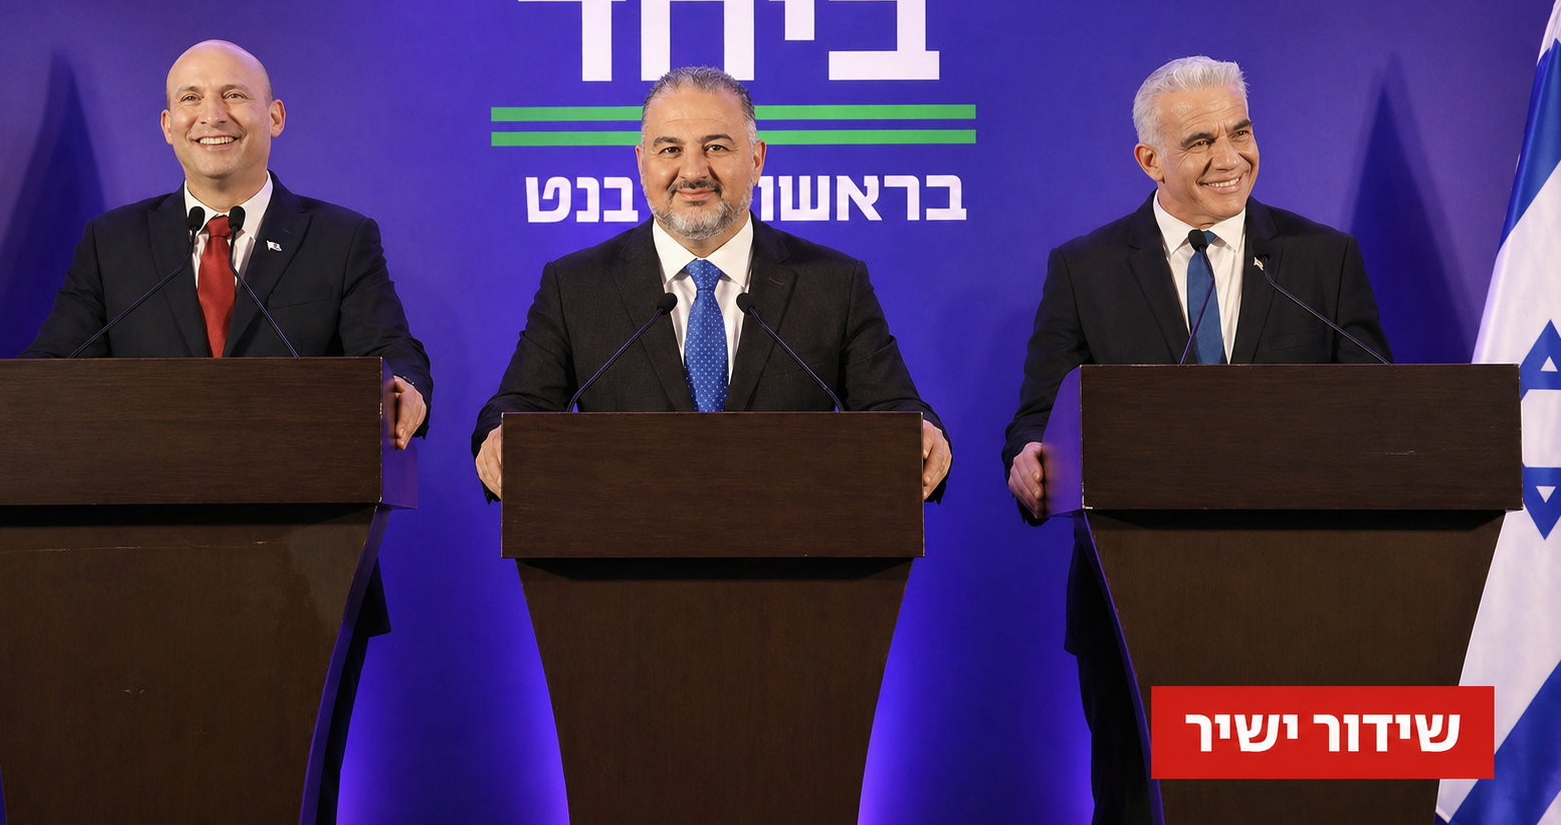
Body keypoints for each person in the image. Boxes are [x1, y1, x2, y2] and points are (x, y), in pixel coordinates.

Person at [22, 39, 431, 825]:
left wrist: (405, 389)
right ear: (166, 124)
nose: (213, 114)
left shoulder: (340, 238)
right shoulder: (114, 243)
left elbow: (392, 352)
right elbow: (51, 371)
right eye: (192, 98)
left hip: (306, 579)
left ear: (274, 116)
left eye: (235, 96)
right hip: (136, 581)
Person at [1001, 55, 1391, 824]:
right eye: (1201, 141)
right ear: (1150, 160)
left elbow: (1378, 410)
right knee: (1136, 804)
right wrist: (1029, 459)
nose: (1229, 157)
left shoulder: (1324, 259)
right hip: (1129, 602)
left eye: (1240, 131)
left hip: (1294, 598)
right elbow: (1041, 414)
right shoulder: (1085, 269)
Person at [473, 65, 951, 501]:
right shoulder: (576, 286)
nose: (693, 171)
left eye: (716, 147)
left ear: (757, 159)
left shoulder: (833, 284)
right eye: (670, 150)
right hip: (625, 552)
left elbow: (894, 409)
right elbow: (520, 406)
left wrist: (920, 435)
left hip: (790, 551)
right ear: (641, 163)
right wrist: (501, 437)